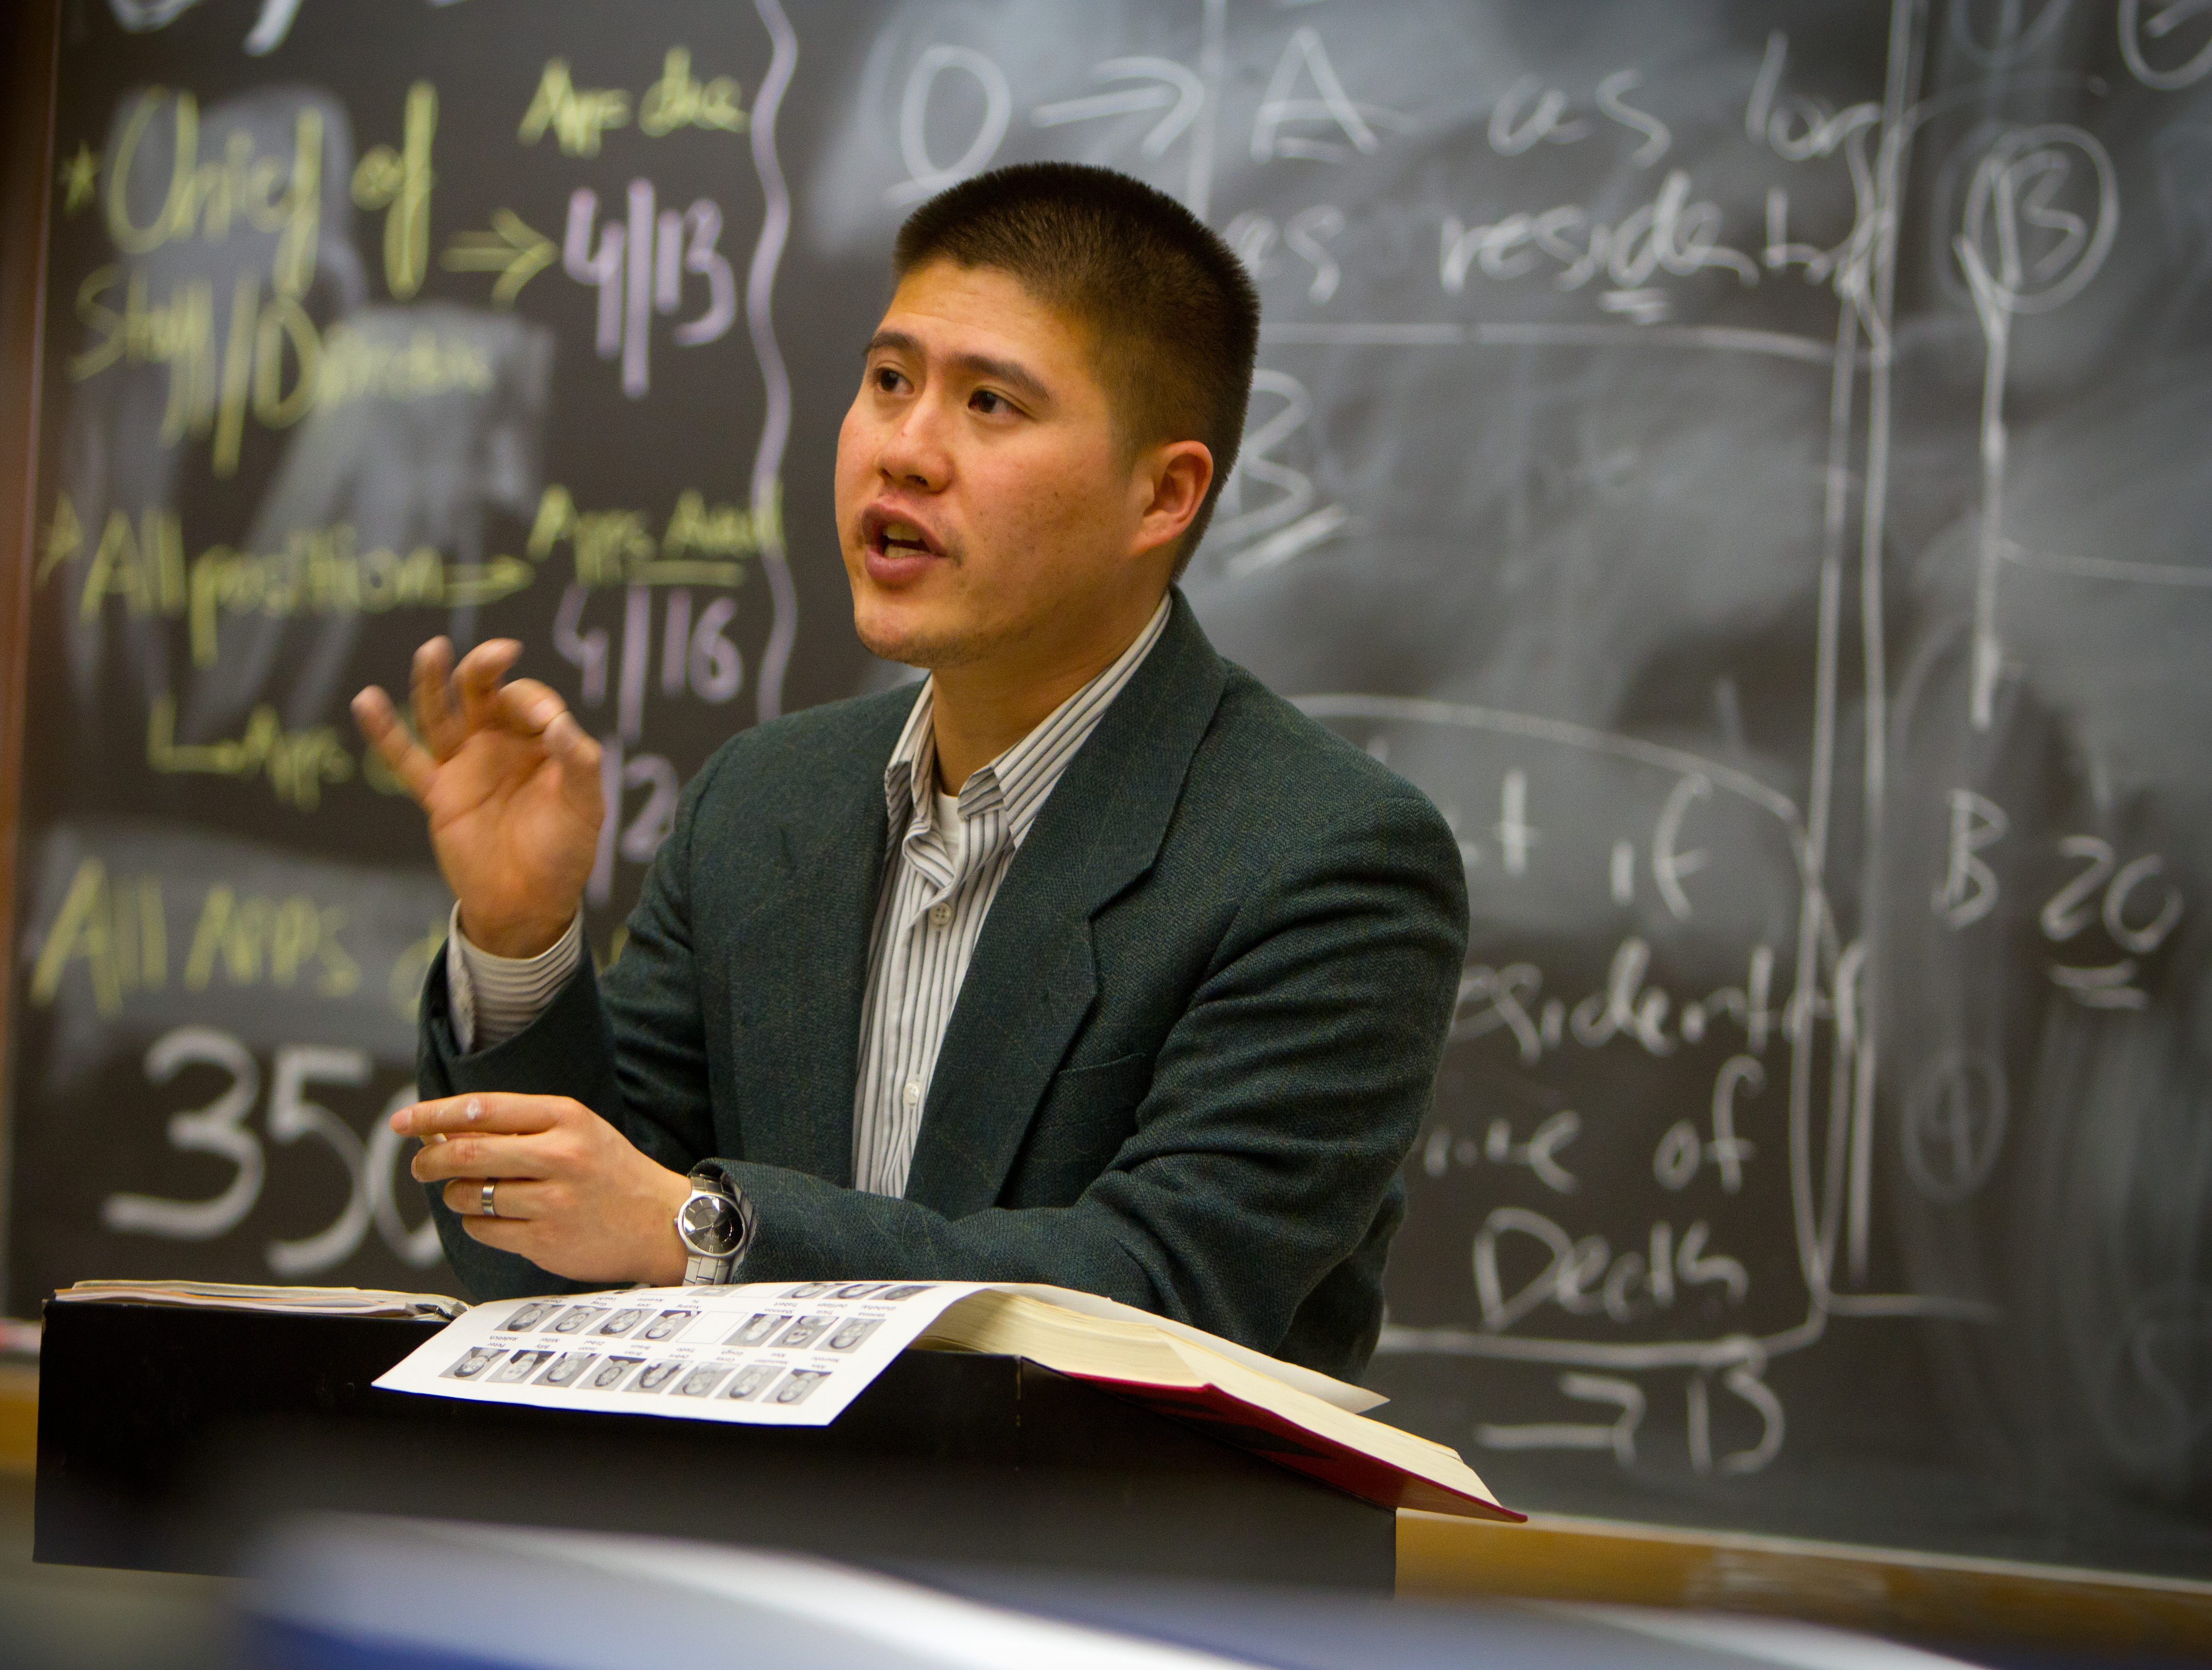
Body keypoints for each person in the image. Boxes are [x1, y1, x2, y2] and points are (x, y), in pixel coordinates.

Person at [352, 163, 1466, 1380]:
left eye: (991, 403)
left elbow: (1164, 1291)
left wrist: (705, 1232)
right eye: (889, 381)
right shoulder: (763, 802)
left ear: (1163, 493)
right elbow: (554, 1264)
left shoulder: (1328, 857)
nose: (905, 451)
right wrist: (521, 939)